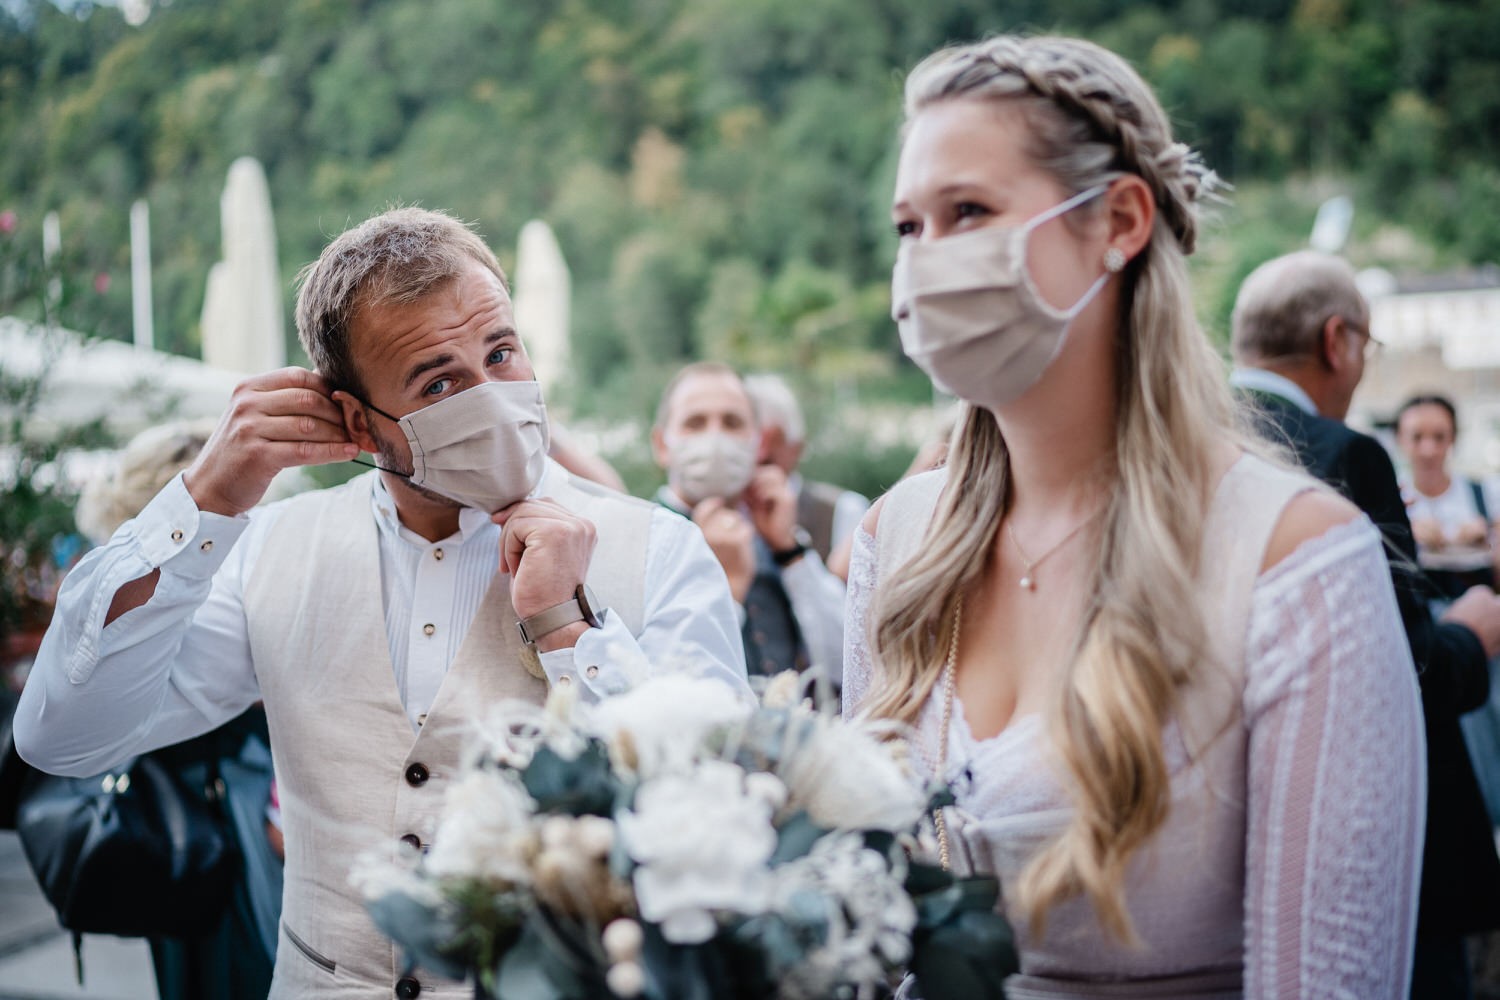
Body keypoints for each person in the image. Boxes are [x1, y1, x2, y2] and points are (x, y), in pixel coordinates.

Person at [14, 207, 749, 1000]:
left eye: (501, 352)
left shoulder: (660, 550)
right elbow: (64, 737)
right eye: (439, 382)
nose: (494, 397)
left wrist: (570, 634)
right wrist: (200, 507)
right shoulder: (273, 550)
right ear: (361, 422)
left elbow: (728, 828)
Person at [844, 35, 1425, 997]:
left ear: (1117, 219)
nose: (926, 263)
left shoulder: (1295, 563)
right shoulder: (897, 542)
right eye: (909, 228)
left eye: (969, 213)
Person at [1230, 250, 1500, 999]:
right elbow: (1402, 665)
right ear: (1336, 341)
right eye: (1366, 348)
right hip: (1358, 828)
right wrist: (1470, 635)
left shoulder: (1180, 434)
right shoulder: (1345, 454)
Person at [75, 419, 284, 1000]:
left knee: (197, 962)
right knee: (243, 956)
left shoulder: (127, 579)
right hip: (224, 805)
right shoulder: (193, 576)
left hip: (174, 820)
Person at [651, 362, 844, 682]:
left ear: (759, 443)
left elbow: (849, 665)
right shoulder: (638, 535)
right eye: (695, 423)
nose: (715, 438)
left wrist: (789, 552)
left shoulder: (776, 528)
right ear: (662, 445)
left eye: (732, 422)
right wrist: (726, 586)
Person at [742, 373, 870, 582]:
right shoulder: (710, 511)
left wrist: (790, 551)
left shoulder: (844, 509)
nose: (760, 454)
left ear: (796, 448)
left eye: (771, 444)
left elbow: (847, 611)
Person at [1396, 393, 1497, 599]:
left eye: (1439, 437)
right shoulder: (1392, 496)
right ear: (1400, 439)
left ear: (1453, 438)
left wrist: (1490, 538)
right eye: (1417, 437)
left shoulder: (1486, 493)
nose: (1429, 450)